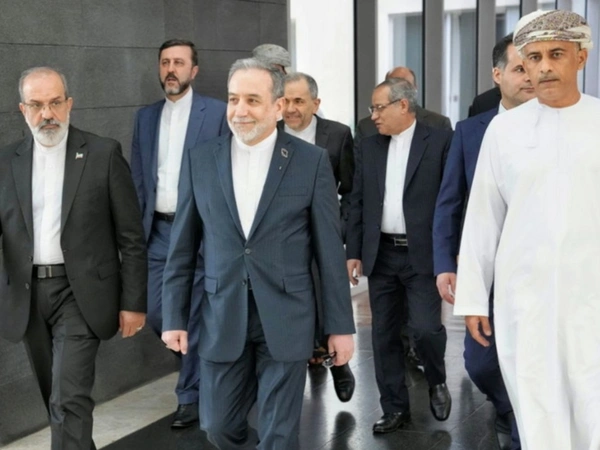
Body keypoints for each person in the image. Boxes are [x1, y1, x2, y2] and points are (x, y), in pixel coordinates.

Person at [161, 58, 355, 450]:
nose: (240, 110)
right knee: (217, 426)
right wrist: (174, 317)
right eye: (233, 99)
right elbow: (181, 248)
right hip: (222, 313)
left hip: (287, 315)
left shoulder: (310, 161)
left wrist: (340, 326)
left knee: (278, 435)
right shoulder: (201, 159)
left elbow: (329, 252)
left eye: (252, 100)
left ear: (278, 107)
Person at [454, 10, 600, 449]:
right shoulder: (504, 129)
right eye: (533, 57)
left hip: (591, 297)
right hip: (525, 300)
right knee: (537, 407)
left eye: (556, 54)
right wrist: (474, 297)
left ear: (581, 57)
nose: (544, 67)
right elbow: (483, 217)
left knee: (592, 405)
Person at [0, 67, 147, 450]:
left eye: (54, 103)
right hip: (28, 296)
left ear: (69, 104)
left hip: (80, 294)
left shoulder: (102, 153)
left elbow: (131, 236)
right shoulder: (6, 161)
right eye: (36, 105)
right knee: (56, 397)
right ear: (23, 109)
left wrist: (134, 302)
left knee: (68, 397)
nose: (47, 114)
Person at [433, 33, 534, 450]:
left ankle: (524, 426)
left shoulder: (556, 127)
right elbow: (449, 200)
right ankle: (509, 407)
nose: (531, 76)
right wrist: (445, 262)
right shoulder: (471, 131)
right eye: (520, 68)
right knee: (481, 362)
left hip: (539, 269)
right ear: (498, 74)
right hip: (487, 267)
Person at [130, 38, 228, 428]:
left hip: (201, 231)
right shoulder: (145, 117)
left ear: (194, 70)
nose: (171, 69)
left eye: (179, 63)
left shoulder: (216, 113)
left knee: (197, 314)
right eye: (165, 62)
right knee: (158, 312)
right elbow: (140, 177)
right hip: (158, 231)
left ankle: (189, 395)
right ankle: (202, 366)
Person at [346, 77, 453, 433]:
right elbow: (358, 200)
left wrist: (449, 255)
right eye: (372, 108)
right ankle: (394, 407)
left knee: (425, 329)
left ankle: (436, 378)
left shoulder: (439, 142)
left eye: (379, 108)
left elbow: (451, 201)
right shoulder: (370, 146)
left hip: (422, 254)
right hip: (382, 254)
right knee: (384, 335)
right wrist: (354, 250)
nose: (373, 116)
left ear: (403, 105)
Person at [279, 72, 355, 402]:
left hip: (324, 231)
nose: (290, 109)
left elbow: (350, 190)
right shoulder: (270, 133)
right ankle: (309, 355)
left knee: (327, 292)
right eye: (285, 101)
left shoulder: (337, 135)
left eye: (299, 101)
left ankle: (338, 362)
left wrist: (340, 230)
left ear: (315, 103)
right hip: (283, 236)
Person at [354, 66, 452, 147]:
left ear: (415, 88)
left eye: (406, 86)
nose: (400, 91)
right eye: (394, 85)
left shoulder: (439, 125)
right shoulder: (366, 128)